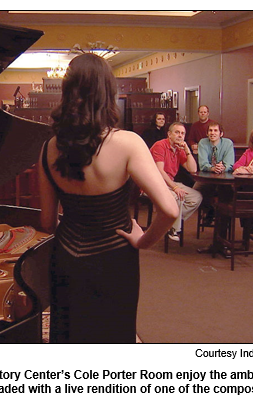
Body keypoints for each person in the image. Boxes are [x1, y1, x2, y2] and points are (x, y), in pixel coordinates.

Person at [38, 53, 178, 343]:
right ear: (108, 93)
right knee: (114, 335)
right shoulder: (128, 143)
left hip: (65, 256)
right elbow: (170, 210)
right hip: (114, 258)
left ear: (67, 92)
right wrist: (143, 241)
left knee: (71, 339)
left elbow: (47, 222)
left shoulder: (49, 148)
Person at [150, 121, 203, 241]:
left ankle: (167, 221)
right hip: (155, 182)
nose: (180, 136)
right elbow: (160, 171)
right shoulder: (160, 145)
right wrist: (175, 187)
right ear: (169, 134)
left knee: (196, 197)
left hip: (169, 182)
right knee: (177, 196)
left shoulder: (179, 149)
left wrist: (187, 150)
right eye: (177, 132)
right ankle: (174, 229)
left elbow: (193, 169)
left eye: (183, 133)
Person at [196, 122, 235, 224]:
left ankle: (224, 221)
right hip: (207, 177)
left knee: (228, 192)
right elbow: (203, 164)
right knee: (196, 191)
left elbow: (230, 164)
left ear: (221, 134)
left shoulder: (228, 143)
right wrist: (212, 168)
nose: (213, 133)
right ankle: (210, 211)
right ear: (207, 133)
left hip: (224, 178)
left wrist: (222, 168)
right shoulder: (202, 143)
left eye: (215, 131)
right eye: (210, 131)